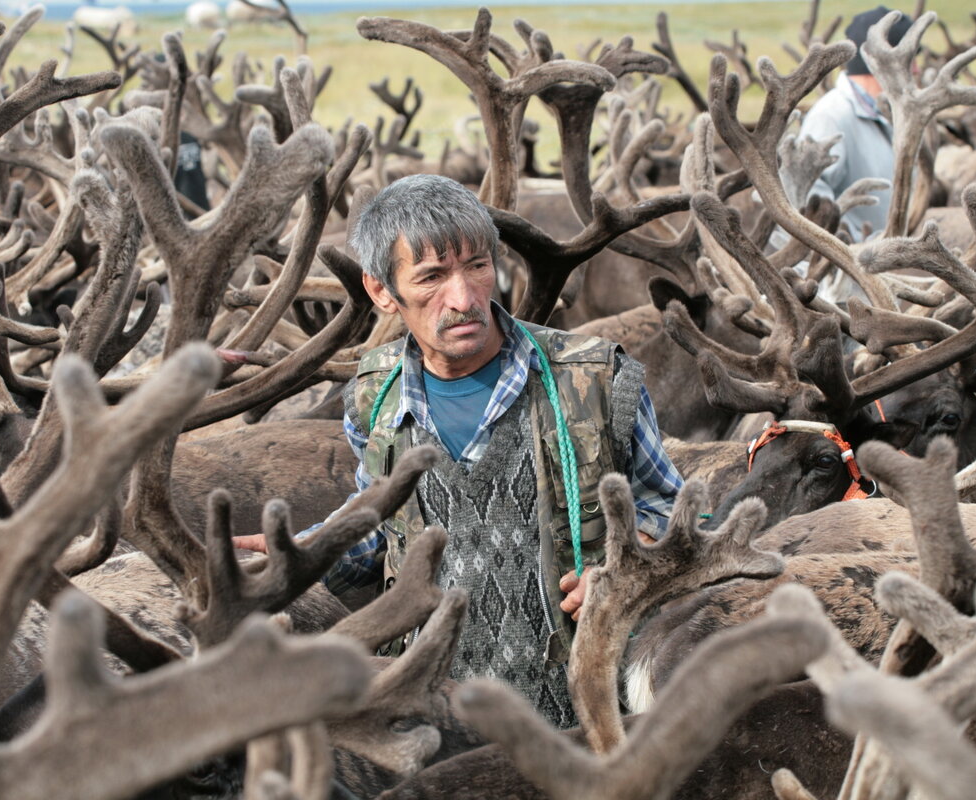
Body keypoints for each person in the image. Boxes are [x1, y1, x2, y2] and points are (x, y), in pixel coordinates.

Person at [236, 174, 682, 728]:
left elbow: (679, 515)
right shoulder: (373, 402)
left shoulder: (598, 380)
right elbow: (384, 524)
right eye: (431, 277)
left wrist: (631, 570)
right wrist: (305, 553)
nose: (465, 298)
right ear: (381, 291)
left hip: (584, 721)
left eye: (477, 266)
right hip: (434, 724)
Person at [799, 6, 914, 243]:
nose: (917, 69)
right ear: (885, 62)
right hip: (845, 271)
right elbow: (806, 203)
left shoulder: (888, 114)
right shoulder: (831, 118)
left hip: (883, 266)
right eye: (910, 59)